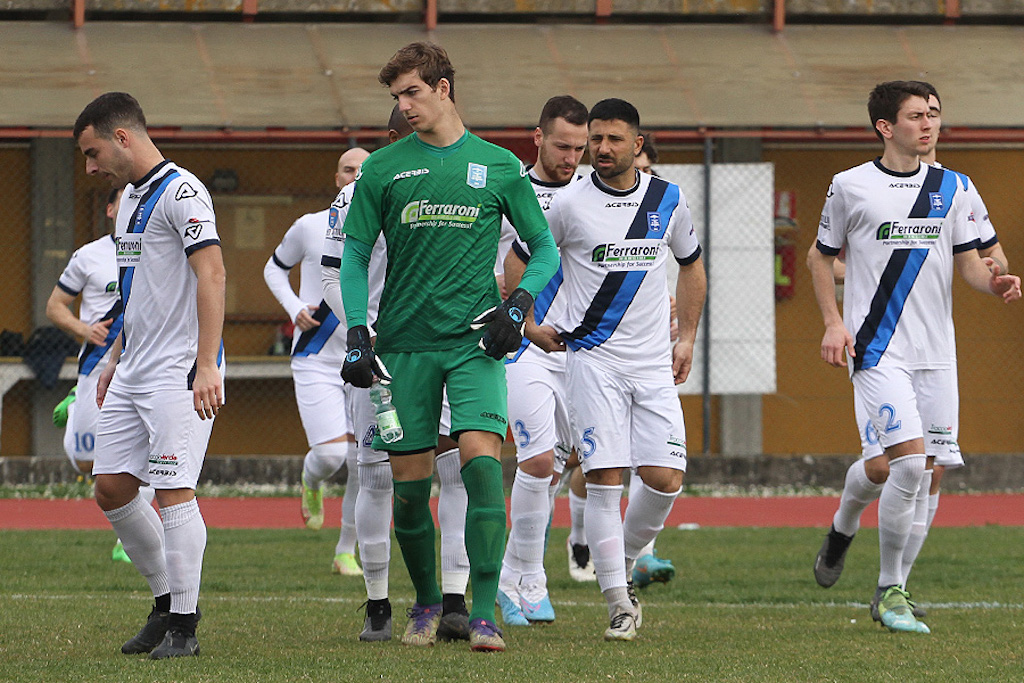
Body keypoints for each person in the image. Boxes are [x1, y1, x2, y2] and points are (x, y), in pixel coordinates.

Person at [338, 42, 559, 652]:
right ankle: (428, 603)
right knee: (409, 491)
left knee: (483, 468)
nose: (404, 106)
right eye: (396, 97)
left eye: (412, 92)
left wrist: (518, 304)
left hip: (474, 347)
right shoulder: (383, 169)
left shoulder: (499, 166)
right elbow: (355, 254)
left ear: (443, 88)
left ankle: (484, 614)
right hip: (403, 350)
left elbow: (544, 250)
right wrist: (358, 328)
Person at [807, 81, 1020, 635]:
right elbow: (819, 256)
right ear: (885, 126)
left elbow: (971, 264)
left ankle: (887, 584)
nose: (929, 124)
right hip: (876, 348)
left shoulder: (953, 187)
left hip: (936, 353)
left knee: (928, 474)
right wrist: (834, 323)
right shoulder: (850, 186)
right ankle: (884, 581)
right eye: (916, 116)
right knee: (902, 463)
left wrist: (994, 285)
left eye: (934, 115)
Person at [545, 98, 706, 641]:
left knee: (665, 481)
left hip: (654, 364)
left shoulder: (669, 199)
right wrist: (527, 323)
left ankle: (623, 560)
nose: (602, 149)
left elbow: (692, 267)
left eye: (614, 139)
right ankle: (617, 601)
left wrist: (685, 336)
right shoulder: (568, 203)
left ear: (638, 145)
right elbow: (526, 261)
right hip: (592, 360)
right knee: (605, 480)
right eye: (595, 139)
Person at [74, 91, 226, 659]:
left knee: (172, 489)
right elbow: (137, 292)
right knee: (110, 485)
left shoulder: (183, 190)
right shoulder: (131, 195)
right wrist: (113, 358)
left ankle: (185, 624)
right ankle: (166, 602)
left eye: (93, 154)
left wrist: (206, 363)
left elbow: (212, 273)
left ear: (122, 137)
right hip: (134, 365)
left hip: (180, 370)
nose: (91, 168)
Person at [321, 106, 473, 643]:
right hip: (384, 354)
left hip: (451, 347)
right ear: (391, 138)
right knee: (378, 474)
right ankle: (379, 603)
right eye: (415, 132)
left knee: (455, 468)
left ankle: (453, 598)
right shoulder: (357, 192)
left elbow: (507, 251)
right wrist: (365, 332)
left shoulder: (467, 173)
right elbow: (330, 275)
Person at [494, 95, 588, 627]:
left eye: (579, 147)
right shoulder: (511, 190)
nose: (571, 157)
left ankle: (517, 575)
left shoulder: (594, 194)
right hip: (523, 344)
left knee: (557, 466)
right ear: (537, 137)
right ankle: (528, 579)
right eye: (561, 145)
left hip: (578, 350)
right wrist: (515, 316)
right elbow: (494, 263)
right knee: (534, 458)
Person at [263, 147, 369, 577]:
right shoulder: (309, 226)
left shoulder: (384, 231)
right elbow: (273, 269)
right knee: (331, 456)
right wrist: (293, 307)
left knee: (365, 461)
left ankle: (346, 550)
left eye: (364, 171)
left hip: (365, 356)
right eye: (348, 170)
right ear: (336, 177)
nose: (356, 177)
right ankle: (310, 481)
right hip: (314, 357)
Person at [47, 187, 156, 564]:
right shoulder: (88, 255)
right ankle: (79, 401)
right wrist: (82, 329)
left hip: (146, 362)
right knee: (84, 458)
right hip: (96, 365)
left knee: (154, 449)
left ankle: (129, 541)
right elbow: (55, 306)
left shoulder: (155, 248)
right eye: (122, 202)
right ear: (111, 210)